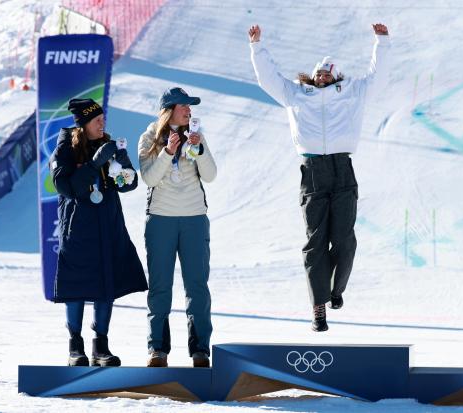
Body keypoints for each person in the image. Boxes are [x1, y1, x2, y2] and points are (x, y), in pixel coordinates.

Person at [248, 23, 391, 332]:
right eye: (319, 73)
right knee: (316, 242)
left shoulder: (351, 92)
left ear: (336, 76)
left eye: (329, 72)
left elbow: (379, 78)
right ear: (312, 76)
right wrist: (257, 46)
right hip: (313, 172)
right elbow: (268, 78)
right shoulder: (297, 94)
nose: (323, 76)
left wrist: (382, 42)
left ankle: (336, 291)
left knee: (344, 240)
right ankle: (318, 307)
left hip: (342, 169)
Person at [50, 98, 148, 366]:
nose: (102, 122)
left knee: (107, 285)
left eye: (103, 117)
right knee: (78, 287)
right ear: (82, 124)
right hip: (78, 231)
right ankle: (75, 347)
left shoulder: (107, 144)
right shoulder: (64, 151)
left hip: (109, 227)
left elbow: (126, 186)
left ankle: (100, 346)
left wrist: (126, 168)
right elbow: (66, 188)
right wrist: (94, 165)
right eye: (96, 119)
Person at [138, 87, 217, 368]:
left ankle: (200, 350)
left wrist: (199, 150)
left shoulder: (196, 136)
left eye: (190, 107)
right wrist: (168, 152)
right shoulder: (149, 137)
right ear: (170, 109)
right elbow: (148, 179)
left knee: (197, 286)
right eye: (185, 106)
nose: (189, 110)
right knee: (160, 287)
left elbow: (211, 175)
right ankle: (157, 350)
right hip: (161, 219)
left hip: (195, 218)